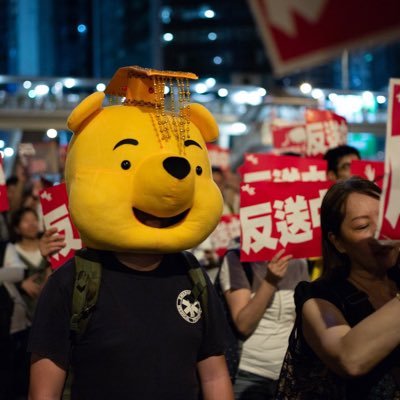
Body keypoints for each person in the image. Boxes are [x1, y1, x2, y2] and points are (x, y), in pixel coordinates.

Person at [28, 66, 234, 400]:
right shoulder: (73, 282)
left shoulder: (192, 274)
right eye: (126, 164)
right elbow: (44, 388)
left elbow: (213, 374)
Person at [276, 177, 400, 399]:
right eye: (363, 226)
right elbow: (349, 358)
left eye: (385, 220)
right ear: (338, 242)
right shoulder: (318, 298)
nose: (380, 233)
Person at [219, 243, 309, 399]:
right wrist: (270, 281)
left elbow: (302, 317)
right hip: (250, 374)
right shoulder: (236, 258)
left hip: (289, 372)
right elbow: (243, 325)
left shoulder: (299, 259)